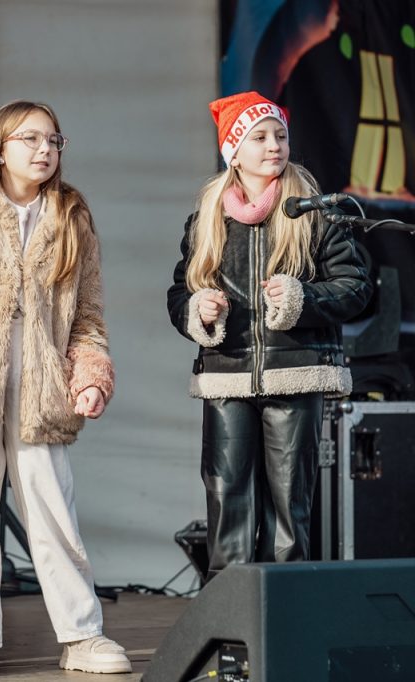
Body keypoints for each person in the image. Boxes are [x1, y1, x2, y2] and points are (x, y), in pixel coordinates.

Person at [0, 100, 131, 677]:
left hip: (42, 385)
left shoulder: (71, 215)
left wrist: (89, 374)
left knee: (53, 510)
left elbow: (87, 315)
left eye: (53, 140)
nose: (45, 150)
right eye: (31, 139)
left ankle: (82, 635)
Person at [167, 91, 371, 580]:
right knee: (227, 499)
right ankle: (229, 612)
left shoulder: (314, 214)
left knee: (288, 509)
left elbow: (355, 288)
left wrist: (302, 298)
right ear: (233, 152)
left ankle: (284, 610)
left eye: (280, 135)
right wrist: (199, 309)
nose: (274, 145)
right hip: (228, 378)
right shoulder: (207, 220)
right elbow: (179, 293)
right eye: (259, 137)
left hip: (294, 375)